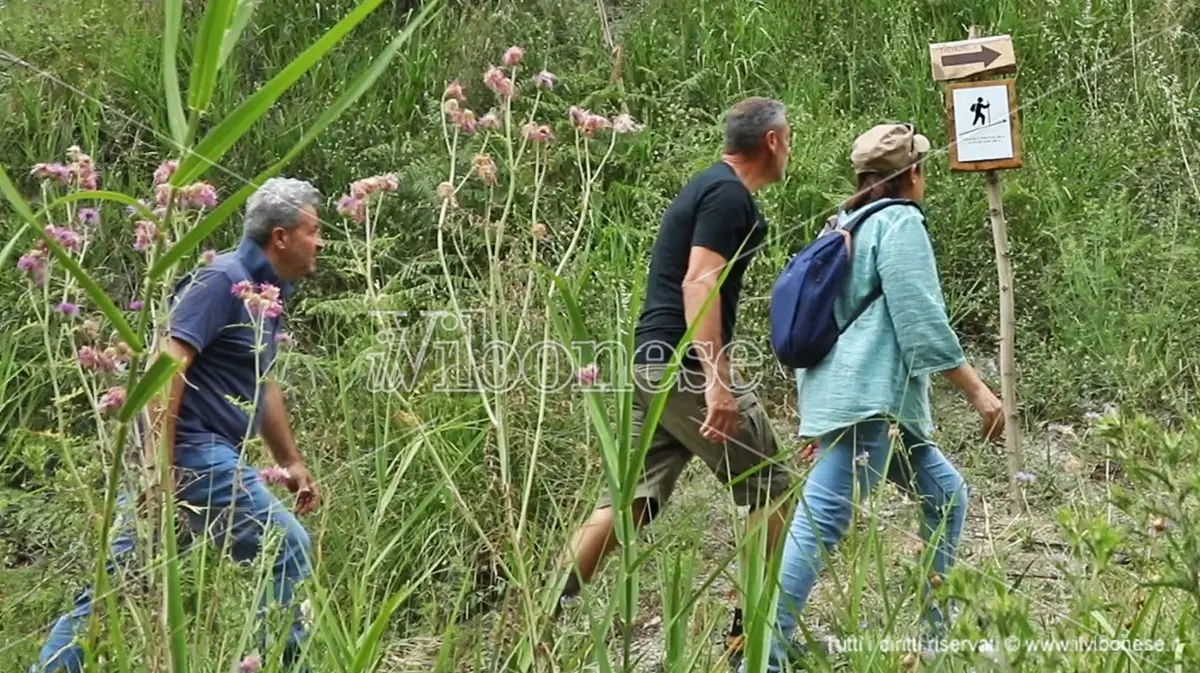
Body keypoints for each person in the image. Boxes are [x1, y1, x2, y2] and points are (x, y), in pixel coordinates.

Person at [32, 177, 327, 672]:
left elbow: (262, 382)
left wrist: (290, 460)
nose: (320, 242)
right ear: (281, 236)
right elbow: (167, 365)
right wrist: (157, 467)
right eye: (314, 231)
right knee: (285, 547)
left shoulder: (266, 295)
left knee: (122, 584)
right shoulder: (221, 281)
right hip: (192, 454)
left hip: (195, 458)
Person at [755, 123, 1004, 671]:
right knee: (821, 521)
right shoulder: (899, 221)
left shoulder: (844, 223)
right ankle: (763, 655)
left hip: (848, 394)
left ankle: (933, 643)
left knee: (945, 496)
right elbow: (920, 319)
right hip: (869, 399)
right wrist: (980, 393)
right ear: (912, 173)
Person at [552, 96, 795, 660]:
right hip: (683, 365)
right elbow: (698, 282)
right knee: (775, 491)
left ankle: (541, 623)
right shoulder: (729, 194)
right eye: (789, 140)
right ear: (773, 142)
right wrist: (716, 378)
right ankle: (748, 639)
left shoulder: (711, 187)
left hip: (651, 362)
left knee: (629, 502)